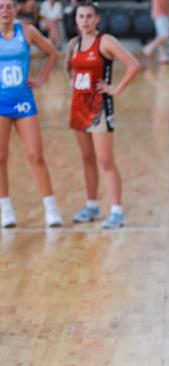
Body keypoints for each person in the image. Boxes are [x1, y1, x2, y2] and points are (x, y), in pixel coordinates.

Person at [63, 1, 141, 229]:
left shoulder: (105, 41)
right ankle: (91, 206)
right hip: (78, 107)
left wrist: (115, 89)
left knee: (105, 161)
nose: (85, 21)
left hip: (99, 109)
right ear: (75, 20)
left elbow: (133, 65)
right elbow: (67, 66)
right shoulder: (73, 43)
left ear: (96, 19)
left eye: (89, 16)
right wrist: (71, 81)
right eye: (81, 17)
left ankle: (117, 211)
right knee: (86, 159)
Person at [0, 0, 63, 228]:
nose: (4, 11)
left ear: (15, 9)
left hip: (24, 102)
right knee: (0, 158)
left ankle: (51, 208)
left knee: (35, 155)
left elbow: (52, 53)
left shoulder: (27, 31)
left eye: (8, 6)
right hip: (0, 103)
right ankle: (5, 209)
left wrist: (40, 78)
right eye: (0, 7)